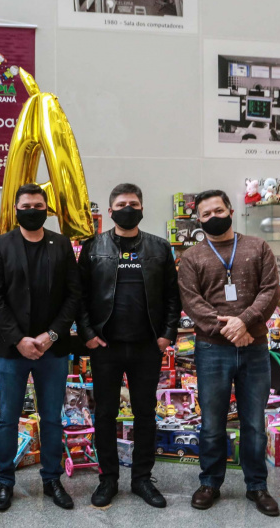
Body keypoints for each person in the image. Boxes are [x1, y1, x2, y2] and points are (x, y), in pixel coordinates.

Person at [77, 183, 181, 508]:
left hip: (146, 346)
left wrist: (166, 335)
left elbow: (172, 298)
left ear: (142, 207)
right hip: (104, 346)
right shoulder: (93, 247)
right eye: (121, 203)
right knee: (105, 414)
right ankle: (108, 479)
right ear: (110, 211)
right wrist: (88, 334)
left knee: (145, 414)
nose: (128, 208)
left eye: (133, 203)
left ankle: (141, 479)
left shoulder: (160, 248)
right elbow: (79, 296)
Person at [178, 189, 280, 517]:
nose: (213, 217)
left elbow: (270, 291)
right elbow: (191, 303)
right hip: (212, 350)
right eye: (206, 214)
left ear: (231, 210)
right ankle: (209, 482)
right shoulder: (192, 257)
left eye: (218, 210)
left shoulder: (258, 247)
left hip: (255, 346)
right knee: (211, 422)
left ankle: (257, 486)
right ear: (198, 219)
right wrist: (230, 330)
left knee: (253, 421)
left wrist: (245, 322)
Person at [0, 184, 82, 511]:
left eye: (38, 205)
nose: (32, 210)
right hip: (12, 350)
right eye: (26, 205)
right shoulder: (1, 245)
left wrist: (51, 335)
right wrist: (19, 339)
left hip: (52, 349)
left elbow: (73, 295)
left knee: (52, 417)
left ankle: (52, 478)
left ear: (46, 208)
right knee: (8, 416)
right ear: (16, 210)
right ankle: (5, 481)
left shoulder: (61, 243)